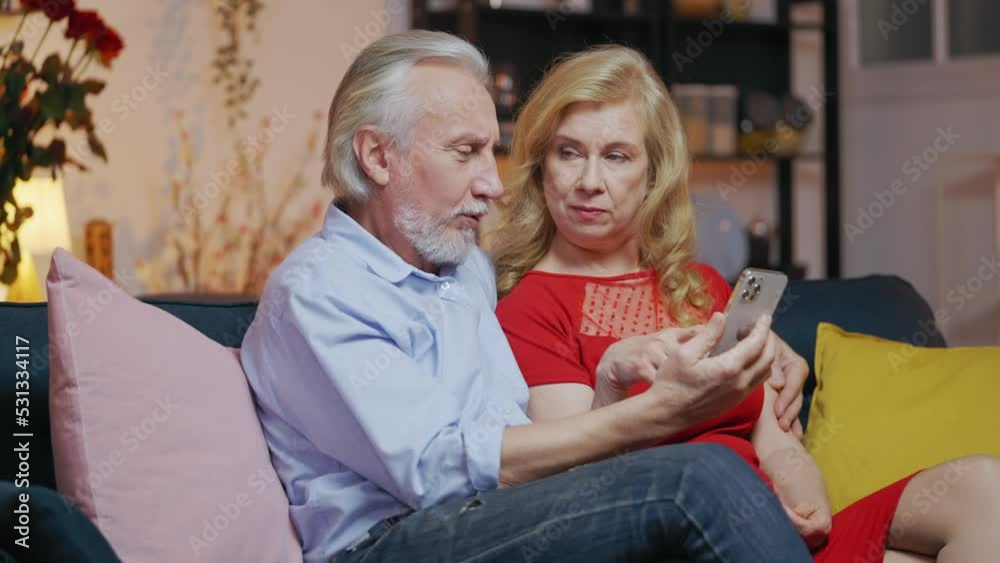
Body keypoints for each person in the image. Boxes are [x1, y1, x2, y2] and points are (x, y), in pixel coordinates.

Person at [239, 30, 815, 563]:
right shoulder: (318, 294)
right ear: (378, 156)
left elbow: (534, 423)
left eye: (492, 150)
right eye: (465, 152)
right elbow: (439, 471)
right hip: (390, 542)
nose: (493, 183)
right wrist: (655, 412)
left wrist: (763, 345)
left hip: (497, 516)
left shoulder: (463, 267)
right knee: (694, 478)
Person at [492, 44, 1000, 563]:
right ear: (541, 166)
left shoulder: (702, 286)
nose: (589, 182)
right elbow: (577, 490)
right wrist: (616, 386)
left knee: (985, 490)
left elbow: (777, 442)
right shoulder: (528, 307)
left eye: (617, 156)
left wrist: (807, 505)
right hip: (672, 543)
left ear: (653, 175)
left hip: (773, 534)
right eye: (568, 152)